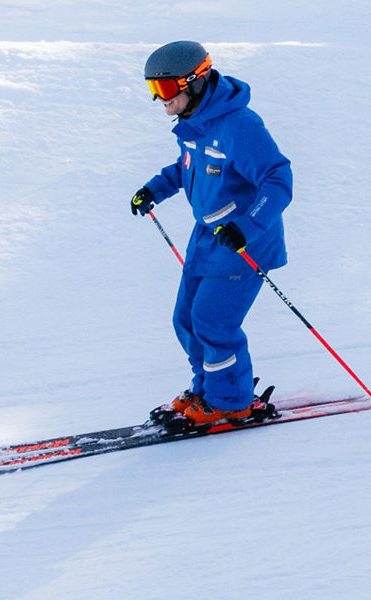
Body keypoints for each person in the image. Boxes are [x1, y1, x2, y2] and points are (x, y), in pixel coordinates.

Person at [126, 41, 295, 429]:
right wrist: (155, 188)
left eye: (165, 90)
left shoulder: (240, 125)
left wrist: (247, 227)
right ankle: (206, 389)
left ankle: (232, 402)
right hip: (208, 239)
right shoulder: (195, 126)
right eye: (154, 90)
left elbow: (278, 179)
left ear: (195, 82)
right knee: (186, 319)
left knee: (213, 321)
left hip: (244, 242)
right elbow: (189, 167)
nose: (160, 101)